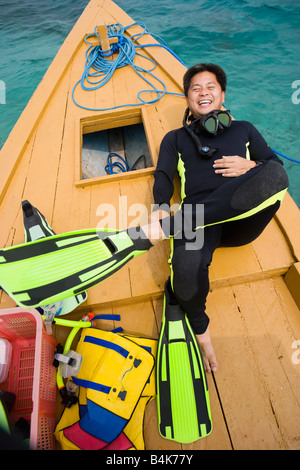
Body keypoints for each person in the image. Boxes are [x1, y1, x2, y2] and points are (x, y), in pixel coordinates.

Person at [142, 63, 288, 373]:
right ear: (188, 99)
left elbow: (273, 165)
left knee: (275, 174)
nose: (203, 92)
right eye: (196, 88)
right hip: (199, 222)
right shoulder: (175, 139)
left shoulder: (244, 128)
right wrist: (158, 208)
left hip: (241, 220)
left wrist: (250, 167)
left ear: (222, 95)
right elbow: (164, 176)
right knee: (184, 264)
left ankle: (174, 226)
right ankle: (201, 333)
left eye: (211, 87)